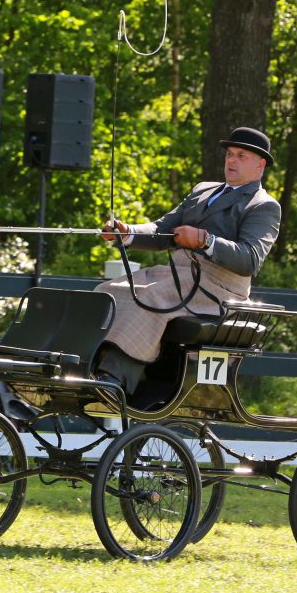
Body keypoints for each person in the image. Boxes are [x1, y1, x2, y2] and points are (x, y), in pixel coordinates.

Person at [94, 127, 282, 395]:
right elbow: (163, 230)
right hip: (179, 276)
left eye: (241, 156)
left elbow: (250, 259)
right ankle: (84, 368)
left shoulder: (263, 205)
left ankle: (114, 380)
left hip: (219, 289)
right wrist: (128, 232)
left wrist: (206, 241)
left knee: (149, 297)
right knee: (108, 291)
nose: (232, 160)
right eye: (230, 154)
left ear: (260, 164)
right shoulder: (203, 190)